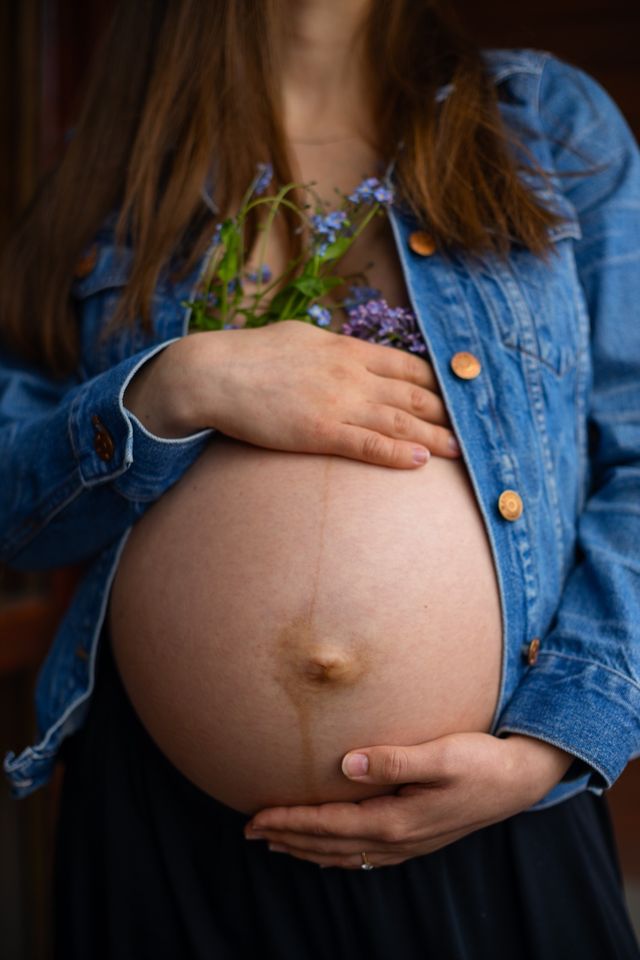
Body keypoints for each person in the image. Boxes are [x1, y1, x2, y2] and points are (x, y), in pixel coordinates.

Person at [2, 0, 640, 957]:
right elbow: (16, 510)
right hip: (167, 836)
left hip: (496, 816)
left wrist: (551, 748)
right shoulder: (114, 175)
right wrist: (179, 385)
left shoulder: (547, 122)